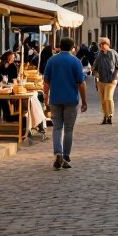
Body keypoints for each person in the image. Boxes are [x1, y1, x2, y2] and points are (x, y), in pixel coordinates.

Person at [42, 36, 88, 169]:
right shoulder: (75, 61)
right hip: (71, 99)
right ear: (72, 47)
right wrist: (84, 101)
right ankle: (66, 156)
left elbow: (46, 81)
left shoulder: (52, 60)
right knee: (68, 129)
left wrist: (46, 96)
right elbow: (81, 83)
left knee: (57, 127)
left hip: (55, 99)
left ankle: (58, 152)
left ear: (60, 46)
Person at [91, 36, 118, 124]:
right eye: (100, 44)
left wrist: (115, 78)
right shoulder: (99, 54)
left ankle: (110, 115)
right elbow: (95, 66)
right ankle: (105, 116)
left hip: (111, 80)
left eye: (102, 44)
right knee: (103, 100)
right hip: (101, 80)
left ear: (107, 44)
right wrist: (95, 72)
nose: (101, 46)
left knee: (108, 98)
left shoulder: (113, 53)